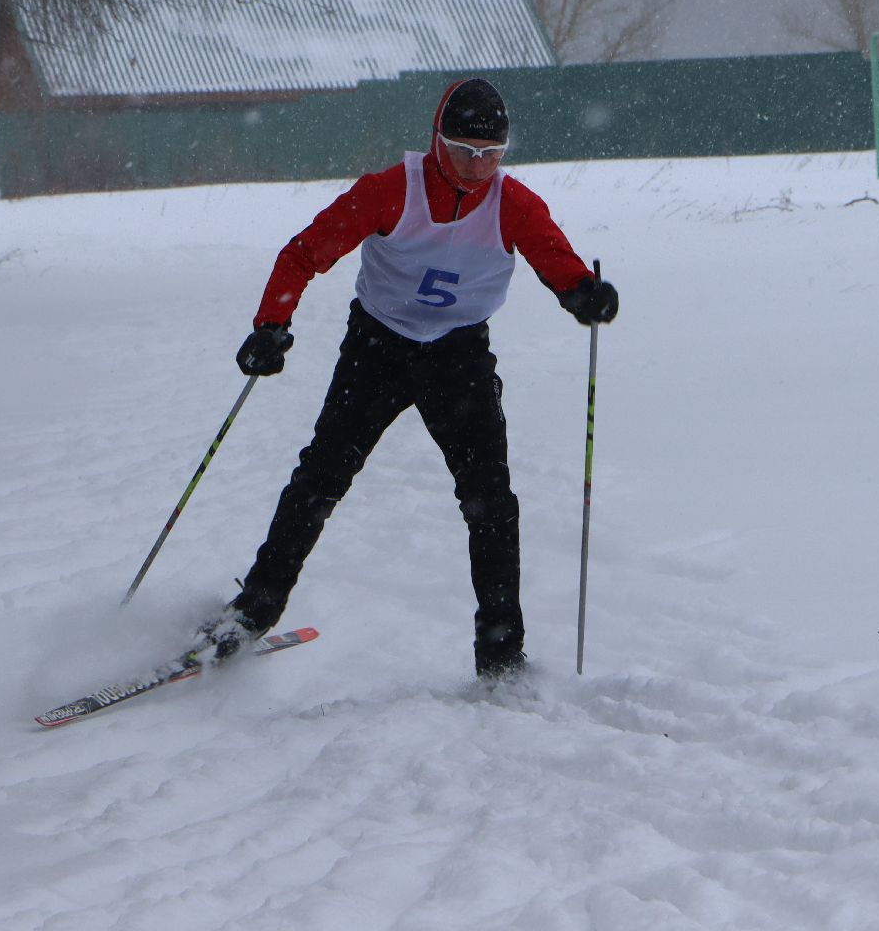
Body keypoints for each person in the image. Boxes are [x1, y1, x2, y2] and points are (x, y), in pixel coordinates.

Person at [194, 77, 618, 680]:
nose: (476, 167)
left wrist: (583, 294)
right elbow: (303, 253)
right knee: (321, 477)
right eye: (463, 150)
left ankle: (501, 655)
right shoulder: (389, 191)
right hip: (379, 346)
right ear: (436, 139)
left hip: (459, 355)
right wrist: (271, 325)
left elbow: (558, 263)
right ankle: (252, 611)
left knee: (491, 501)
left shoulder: (514, 204)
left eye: (491, 153)